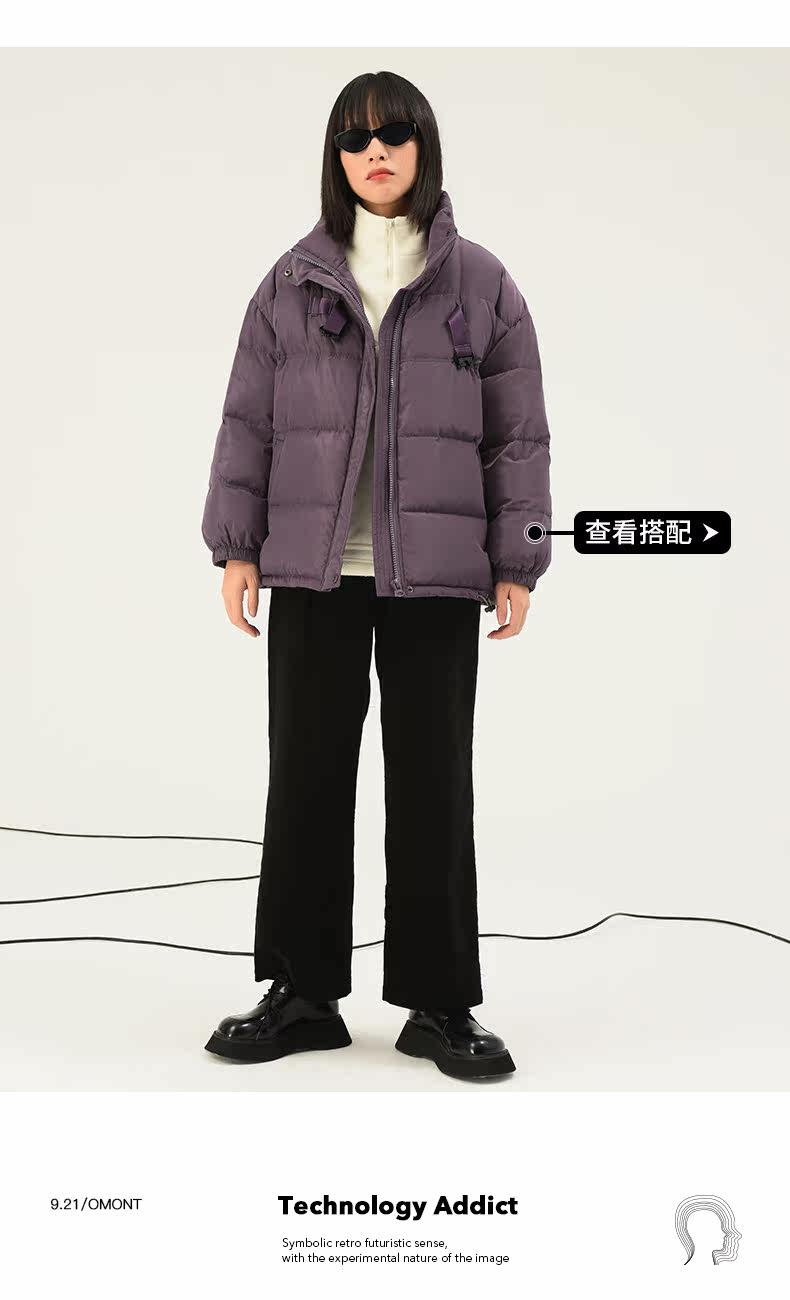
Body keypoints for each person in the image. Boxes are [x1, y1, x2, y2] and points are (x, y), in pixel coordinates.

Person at [200, 70, 552, 1081]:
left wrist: (518, 556)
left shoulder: (480, 284)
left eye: (395, 132)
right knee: (306, 779)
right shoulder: (292, 281)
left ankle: (440, 1003)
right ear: (337, 158)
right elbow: (248, 419)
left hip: (435, 573)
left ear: (423, 145)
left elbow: (516, 434)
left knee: (434, 784)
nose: (376, 152)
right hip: (314, 571)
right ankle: (302, 992)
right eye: (355, 139)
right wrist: (238, 543)